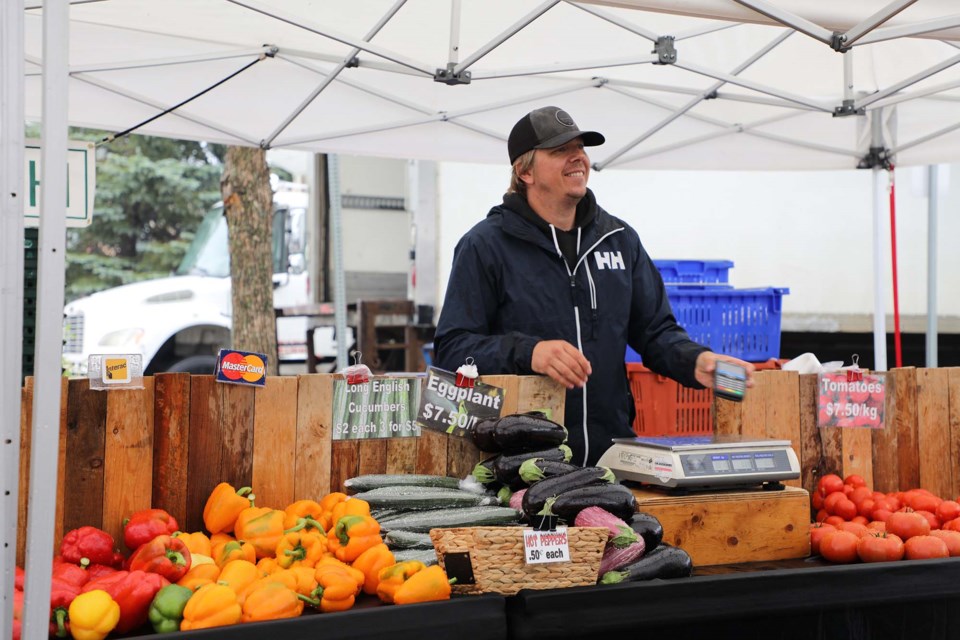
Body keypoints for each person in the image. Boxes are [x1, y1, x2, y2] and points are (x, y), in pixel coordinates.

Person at [434, 105, 755, 466]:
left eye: (581, 148)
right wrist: (530, 352)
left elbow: (655, 331)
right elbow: (453, 349)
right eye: (560, 151)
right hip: (520, 468)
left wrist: (695, 360)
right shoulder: (485, 245)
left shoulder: (619, 239)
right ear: (525, 171)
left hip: (609, 462)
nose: (578, 158)